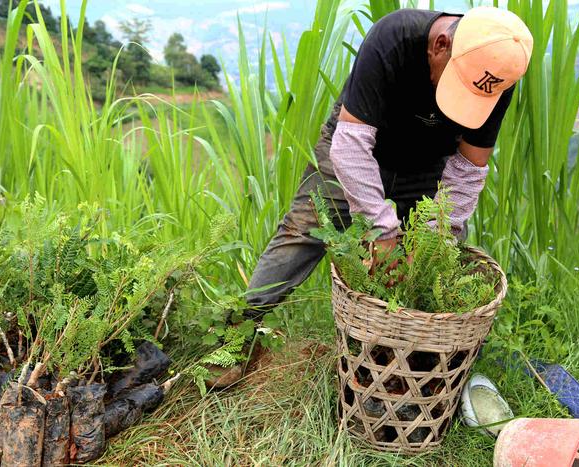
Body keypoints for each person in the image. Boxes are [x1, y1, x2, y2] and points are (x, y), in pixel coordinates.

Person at [206, 6, 533, 388]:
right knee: (304, 229)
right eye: (455, 85)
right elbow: (350, 145)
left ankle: (414, 360)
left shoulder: (496, 77)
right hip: (359, 141)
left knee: (436, 258)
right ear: (440, 46)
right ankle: (236, 337)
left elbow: (468, 169)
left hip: (427, 162)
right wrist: (381, 231)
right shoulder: (394, 38)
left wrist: (433, 235)